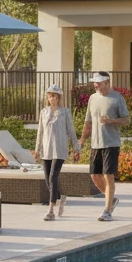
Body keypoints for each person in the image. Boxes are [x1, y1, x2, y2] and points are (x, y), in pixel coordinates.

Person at [79, 71, 131, 222]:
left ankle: (107, 210)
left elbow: (127, 120)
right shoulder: (92, 98)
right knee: (95, 176)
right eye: (95, 83)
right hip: (96, 144)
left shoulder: (117, 98)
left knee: (108, 176)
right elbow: (88, 121)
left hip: (111, 143)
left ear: (107, 83)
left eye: (99, 83)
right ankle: (111, 199)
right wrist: (82, 140)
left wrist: (112, 121)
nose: (96, 86)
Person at [34, 83, 81, 222]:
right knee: (48, 179)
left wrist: (76, 149)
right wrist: (37, 150)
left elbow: (71, 131)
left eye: (53, 96)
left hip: (60, 149)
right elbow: (40, 132)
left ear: (58, 97)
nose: (51, 98)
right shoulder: (43, 112)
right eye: (49, 96)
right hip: (46, 149)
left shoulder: (65, 112)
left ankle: (50, 210)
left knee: (53, 177)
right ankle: (61, 197)